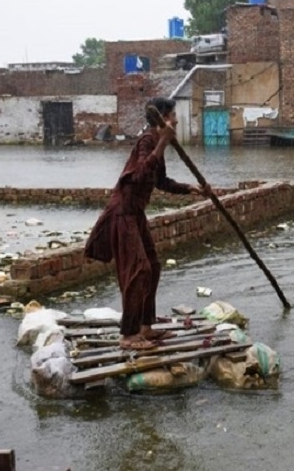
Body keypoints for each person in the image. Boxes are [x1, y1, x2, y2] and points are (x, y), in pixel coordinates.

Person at [84, 97, 211, 350]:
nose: (176, 119)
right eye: (173, 115)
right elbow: (140, 173)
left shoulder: (155, 143)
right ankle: (129, 336)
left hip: (136, 214)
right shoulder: (148, 141)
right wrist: (163, 142)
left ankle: (146, 326)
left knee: (152, 265)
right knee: (138, 270)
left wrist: (191, 189)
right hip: (123, 212)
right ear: (163, 118)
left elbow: (160, 181)